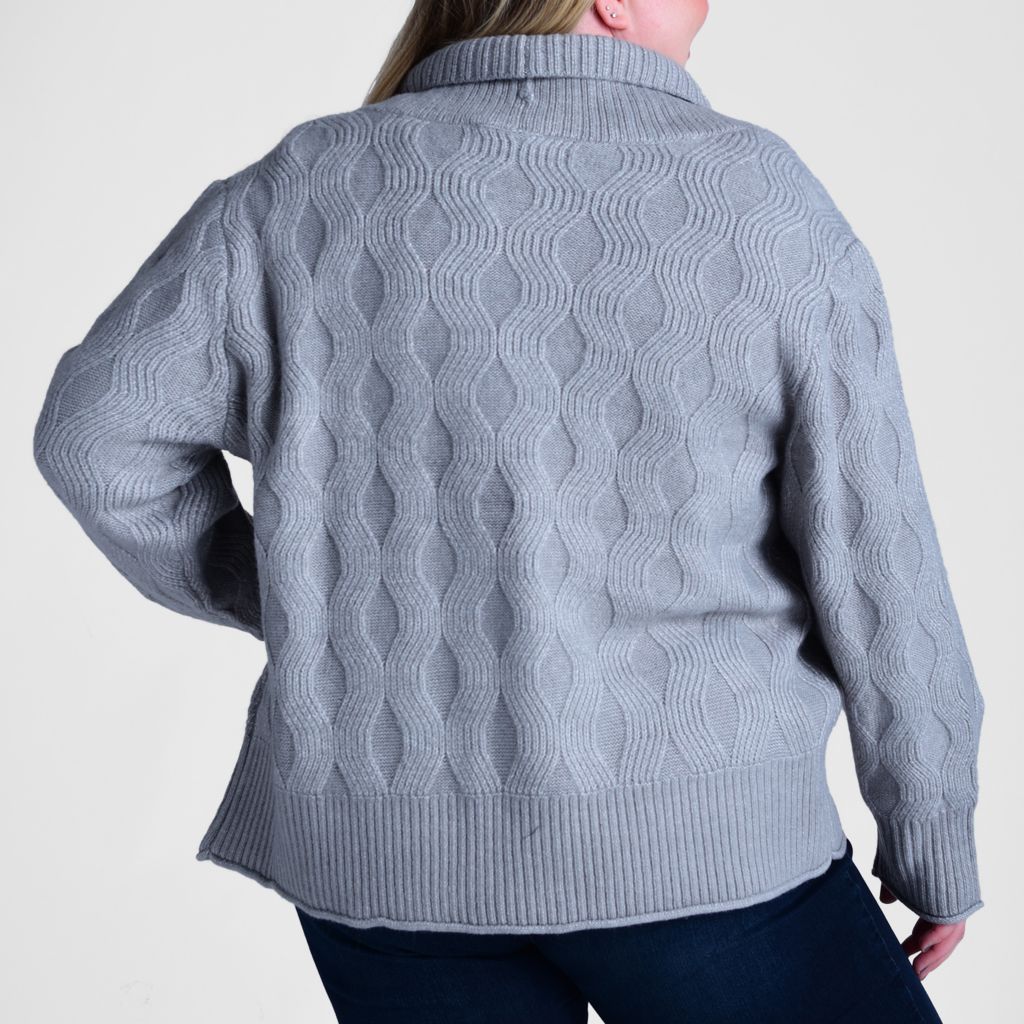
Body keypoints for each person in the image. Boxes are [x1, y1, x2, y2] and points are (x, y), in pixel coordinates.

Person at [31, 0, 985, 1020]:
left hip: (382, 859)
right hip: (702, 852)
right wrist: (930, 832)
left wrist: (310, 602)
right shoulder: (757, 199)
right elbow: (877, 558)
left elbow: (95, 438)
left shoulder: (298, 188)